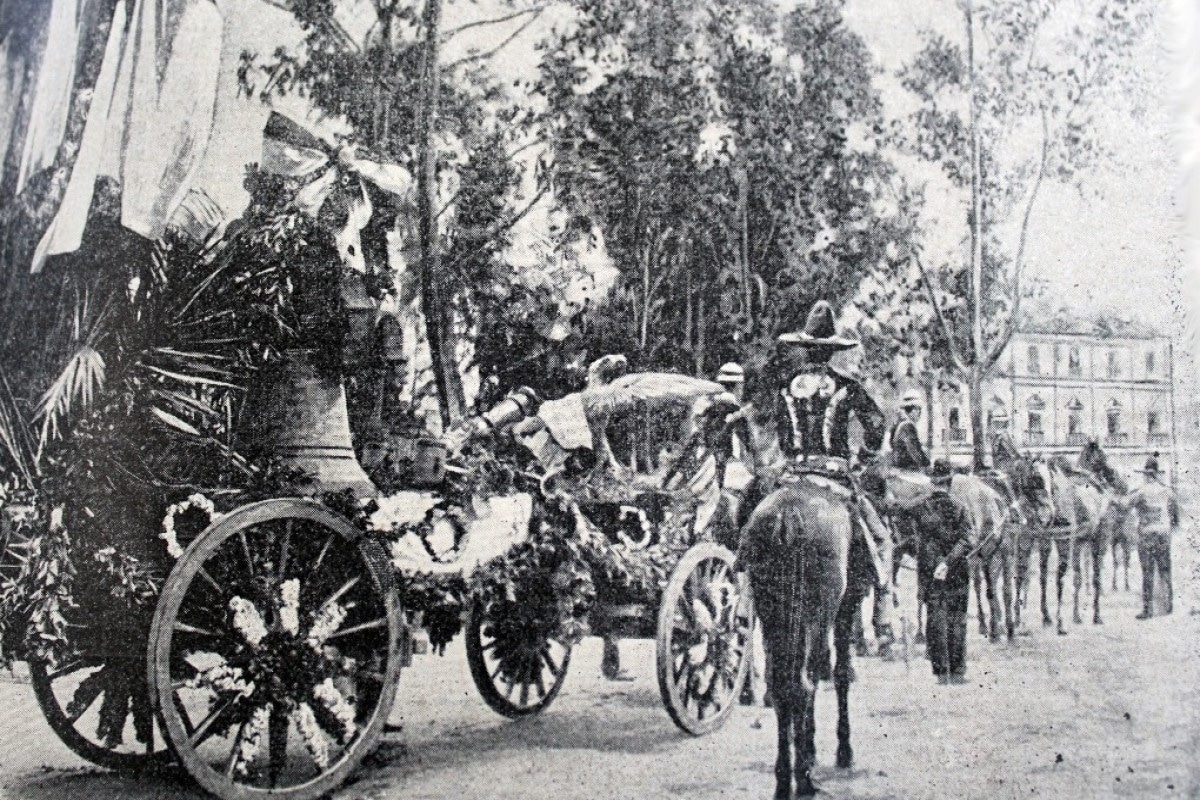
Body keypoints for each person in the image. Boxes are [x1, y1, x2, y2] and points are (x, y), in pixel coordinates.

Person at [769, 300, 896, 653]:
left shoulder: (784, 386)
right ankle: (883, 616)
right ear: (831, 351)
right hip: (834, 476)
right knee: (882, 539)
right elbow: (876, 425)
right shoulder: (846, 385)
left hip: (792, 474)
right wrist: (864, 455)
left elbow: (782, 435)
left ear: (806, 348)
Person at [918, 460, 975, 683]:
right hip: (957, 569)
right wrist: (949, 561)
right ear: (950, 482)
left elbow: (919, 541)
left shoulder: (922, 507)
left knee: (934, 617)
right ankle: (958, 670)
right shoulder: (960, 507)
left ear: (933, 482)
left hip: (930, 570)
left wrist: (935, 564)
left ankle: (941, 671)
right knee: (957, 618)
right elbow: (968, 539)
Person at [1120, 454, 1178, 619]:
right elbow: (1174, 515)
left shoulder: (1141, 492)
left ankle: (1148, 609)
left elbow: (1124, 505)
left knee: (1147, 572)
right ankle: (1168, 605)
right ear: (1157, 474)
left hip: (1146, 535)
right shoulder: (1168, 491)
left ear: (1146, 474)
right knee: (1165, 569)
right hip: (1163, 534)